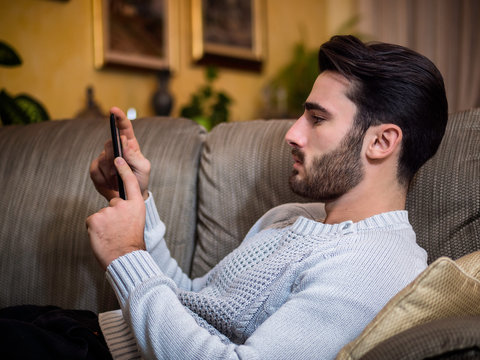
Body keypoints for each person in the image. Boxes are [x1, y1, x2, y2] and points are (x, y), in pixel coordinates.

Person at [0, 35, 447, 360]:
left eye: (316, 118)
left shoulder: (373, 267)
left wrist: (125, 257)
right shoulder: (292, 216)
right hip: (88, 330)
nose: (292, 132)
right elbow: (193, 299)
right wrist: (139, 201)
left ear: (382, 143)